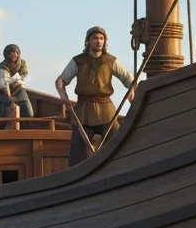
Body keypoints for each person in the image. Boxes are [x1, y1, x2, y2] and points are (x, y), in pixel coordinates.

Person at [55, 26, 136, 166]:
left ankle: (118, 170)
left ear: (105, 42)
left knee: (117, 143)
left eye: (101, 38)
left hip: (106, 110)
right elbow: (61, 81)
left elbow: (129, 79)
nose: (99, 41)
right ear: (88, 41)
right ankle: (75, 177)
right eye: (95, 38)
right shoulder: (78, 61)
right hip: (83, 111)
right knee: (77, 152)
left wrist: (131, 91)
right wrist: (64, 97)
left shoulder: (110, 61)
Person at [0, 43, 34, 125]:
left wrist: (17, 80)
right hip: (5, 93)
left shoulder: (22, 63)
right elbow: (3, 83)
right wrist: (8, 95)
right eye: (12, 52)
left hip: (19, 90)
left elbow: (25, 76)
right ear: (7, 54)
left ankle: (25, 126)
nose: (14, 55)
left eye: (16, 53)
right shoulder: (2, 67)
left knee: (29, 113)